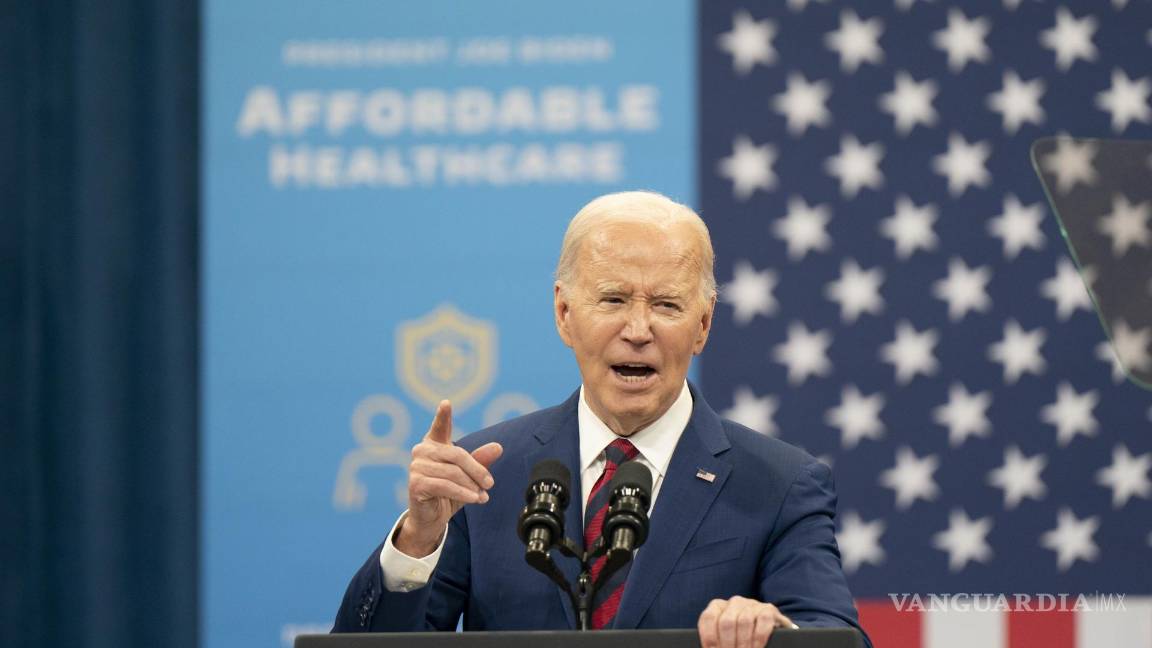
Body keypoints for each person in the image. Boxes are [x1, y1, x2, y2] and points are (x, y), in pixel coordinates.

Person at [332, 191, 871, 648]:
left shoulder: (779, 484)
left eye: (666, 305)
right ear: (565, 314)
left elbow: (835, 633)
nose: (638, 329)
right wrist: (418, 541)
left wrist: (779, 634)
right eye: (612, 299)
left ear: (703, 324)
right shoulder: (482, 478)